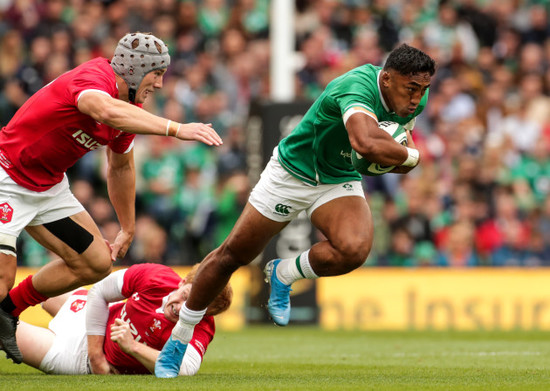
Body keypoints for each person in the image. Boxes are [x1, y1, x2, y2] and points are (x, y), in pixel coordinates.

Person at [155, 43, 436, 377]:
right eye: (412, 89)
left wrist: (398, 157)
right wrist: (413, 157)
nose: (418, 98)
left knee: (355, 249)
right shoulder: (357, 86)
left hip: (337, 176)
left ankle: (284, 273)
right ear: (387, 79)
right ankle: (179, 337)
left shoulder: (414, 98)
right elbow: (367, 143)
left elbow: (396, 155)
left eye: (423, 90)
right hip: (292, 171)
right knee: (233, 256)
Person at [0, 31, 223, 364]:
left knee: (97, 262)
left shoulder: (129, 111)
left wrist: (128, 227)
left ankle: (7, 312)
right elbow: (103, 110)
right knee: (3, 274)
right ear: (135, 70)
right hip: (7, 176)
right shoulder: (95, 79)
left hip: (47, 187)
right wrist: (178, 129)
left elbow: (120, 167)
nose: (160, 84)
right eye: (157, 73)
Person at [14, 263, 232, 375]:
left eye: (196, 309)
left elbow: (184, 369)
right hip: (93, 319)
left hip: (76, 357)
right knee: (41, 285)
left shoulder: (203, 328)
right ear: (182, 281)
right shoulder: (157, 276)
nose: (182, 309)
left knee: (5, 330)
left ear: (207, 315)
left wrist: (133, 347)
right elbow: (99, 291)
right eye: (186, 296)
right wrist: (96, 356)